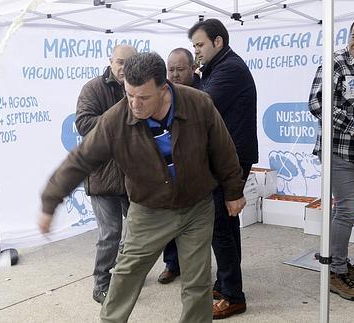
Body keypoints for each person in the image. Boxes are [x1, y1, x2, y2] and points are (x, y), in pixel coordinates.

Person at [38, 52, 245, 322]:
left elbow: (222, 147)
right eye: (129, 95)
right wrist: (49, 202)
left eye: (143, 97)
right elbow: (80, 160)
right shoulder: (115, 120)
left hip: (197, 207)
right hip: (148, 211)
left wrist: (233, 191)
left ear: (163, 87)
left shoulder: (198, 103)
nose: (134, 104)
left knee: (197, 282)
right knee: (125, 274)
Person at [185, 19, 260, 319]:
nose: (197, 52)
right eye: (194, 47)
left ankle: (233, 295)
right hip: (228, 156)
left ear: (218, 42)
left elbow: (200, 105)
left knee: (219, 225)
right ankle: (226, 282)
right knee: (227, 223)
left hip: (230, 159)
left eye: (200, 45)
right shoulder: (218, 67)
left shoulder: (229, 69)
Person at [308, 14, 354, 302]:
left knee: (343, 211)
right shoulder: (335, 62)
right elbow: (316, 103)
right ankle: (335, 273)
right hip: (338, 149)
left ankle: (337, 257)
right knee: (349, 209)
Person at [75, 44, 136, 304]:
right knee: (110, 232)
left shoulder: (140, 86)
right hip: (102, 174)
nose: (124, 67)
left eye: (129, 63)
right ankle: (101, 283)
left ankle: (123, 275)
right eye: (120, 62)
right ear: (110, 61)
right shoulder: (93, 88)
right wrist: (120, 115)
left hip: (133, 174)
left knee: (136, 232)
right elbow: (83, 123)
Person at [157, 47, 201, 285]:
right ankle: (172, 265)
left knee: (195, 228)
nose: (174, 74)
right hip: (169, 173)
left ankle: (195, 270)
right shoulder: (162, 94)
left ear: (193, 69)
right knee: (170, 223)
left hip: (196, 173)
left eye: (180, 69)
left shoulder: (202, 94)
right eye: (170, 69)